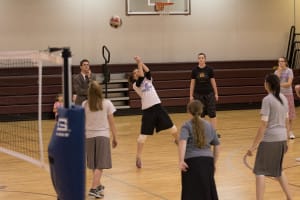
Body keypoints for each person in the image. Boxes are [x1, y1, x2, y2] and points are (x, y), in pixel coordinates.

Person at [246, 74, 292, 200]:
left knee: (260, 171)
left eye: (265, 82)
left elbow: (263, 126)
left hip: (270, 140)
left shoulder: (267, 100)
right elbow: (287, 121)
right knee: (278, 170)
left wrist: (253, 146)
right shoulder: (284, 98)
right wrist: (286, 140)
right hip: (282, 139)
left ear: (268, 84)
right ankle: (289, 197)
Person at [129, 56, 178, 168]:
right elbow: (141, 75)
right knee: (142, 137)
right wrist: (139, 63)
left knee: (173, 128)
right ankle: (138, 157)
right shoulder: (136, 85)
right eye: (135, 72)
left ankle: (177, 141)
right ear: (133, 77)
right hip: (148, 111)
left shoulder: (148, 79)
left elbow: (148, 71)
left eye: (137, 71)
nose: (137, 72)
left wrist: (141, 62)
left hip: (158, 107)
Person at [178, 100, 220, 200]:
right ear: (201, 111)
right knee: (207, 191)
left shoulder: (186, 125)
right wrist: (213, 163)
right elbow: (217, 146)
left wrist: (181, 160)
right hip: (207, 161)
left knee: (191, 192)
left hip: (191, 162)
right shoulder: (210, 125)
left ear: (188, 111)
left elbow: (182, 143)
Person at [82, 80, 118, 198]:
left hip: (89, 137)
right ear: (99, 91)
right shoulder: (107, 103)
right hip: (103, 136)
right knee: (100, 165)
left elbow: (82, 122)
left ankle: (98, 186)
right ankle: (93, 188)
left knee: (94, 164)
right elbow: (112, 123)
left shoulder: (85, 104)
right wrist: (115, 137)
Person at [190, 52, 220, 137]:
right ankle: (202, 132)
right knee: (201, 114)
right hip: (198, 95)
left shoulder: (209, 69)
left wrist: (216, 93)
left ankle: (214, 132)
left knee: (212, 114)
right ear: (198, 60)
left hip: (209, 94)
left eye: (202, 58)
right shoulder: (194, 70)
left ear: (205, 59)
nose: (201, 59)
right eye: (199, 58)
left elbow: (213, 82)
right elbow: (192, 84)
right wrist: (191, 95)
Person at [275, 57, 296, 139]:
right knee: (279, 114)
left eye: (282, 61)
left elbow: (289, 83)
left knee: (290, 114)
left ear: (286, 62)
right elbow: (275, 82)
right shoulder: (276, 71)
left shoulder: (289, 71)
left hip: (288, 94)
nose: (280, 63)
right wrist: (279, 72)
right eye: (279, 61)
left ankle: (290, 131)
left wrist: (279, 84)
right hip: (279, 95)